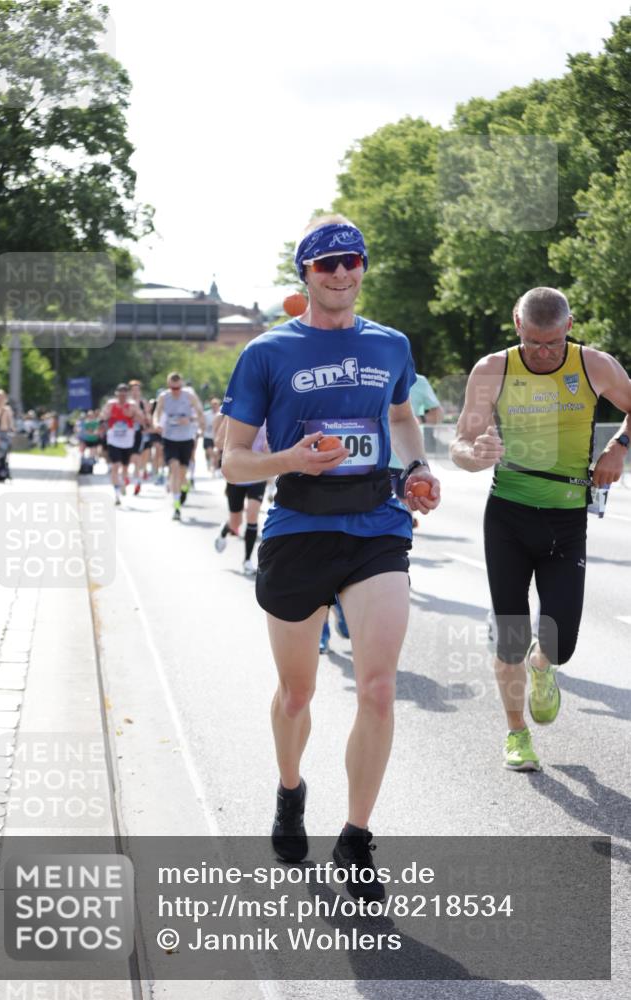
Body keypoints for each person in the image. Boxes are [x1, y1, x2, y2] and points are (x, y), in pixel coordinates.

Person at [221, 214, 440, 902]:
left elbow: (401, 417)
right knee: (298, 692)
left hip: (376, 526)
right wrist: (291, 459)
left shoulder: (390, 345)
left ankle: (355, 835)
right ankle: (290, 790)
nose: (342, 273)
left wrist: (416, 470)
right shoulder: (266, 352)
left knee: (376, 688)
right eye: (327, 264)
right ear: (305, 275)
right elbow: (233, 458)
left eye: (352, 261)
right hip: (297, 530)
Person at [451, 286, 631, 772]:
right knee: (510, 633)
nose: (544, 353)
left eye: (552, 342)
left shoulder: (594, 365)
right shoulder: (493, 369)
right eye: (534, 343)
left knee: (562, 642)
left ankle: (542, 666)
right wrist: (476, 455)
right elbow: (461, 444)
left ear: (569, 326)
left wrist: (620, 445)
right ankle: (516, 735)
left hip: (567, 519)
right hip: (508, 514)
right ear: (516, 324)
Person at [213, 416, 268, 575]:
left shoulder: (268, 415)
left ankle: (247, 560)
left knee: (252, 513)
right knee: (236, 521)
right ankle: (225, 530)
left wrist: (270, 447)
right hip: (236, 473)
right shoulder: (234, 414)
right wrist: (231, 442)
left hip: (258, 472)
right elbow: (218, 441)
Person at [153, 372, 205, 521]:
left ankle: (184, 486)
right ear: (168, 386)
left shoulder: (189, 395)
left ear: (181, 385)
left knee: (182, 473)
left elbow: (200, 413)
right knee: (174, 469)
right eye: (172, 388)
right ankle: (176, 507)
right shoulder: (164, 396)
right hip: (169, 438)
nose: (175, 391)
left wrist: (190, 419)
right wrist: (156, 424)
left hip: (186, 438)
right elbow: (156, 413)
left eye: (178, 388)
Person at [100, 384, 141, 506]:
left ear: (127, 394)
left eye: (124, 394)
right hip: (114, 440)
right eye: (120, 394)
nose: (122, 397)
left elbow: (141, 418)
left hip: (127, 441)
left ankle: (123, 482)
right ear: (116, 394)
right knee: (115, 465)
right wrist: (108, 413)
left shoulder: (132, 405)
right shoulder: (111, 404)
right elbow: (102, 416)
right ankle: (116, 494)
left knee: (125, 467)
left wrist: (132, 414)